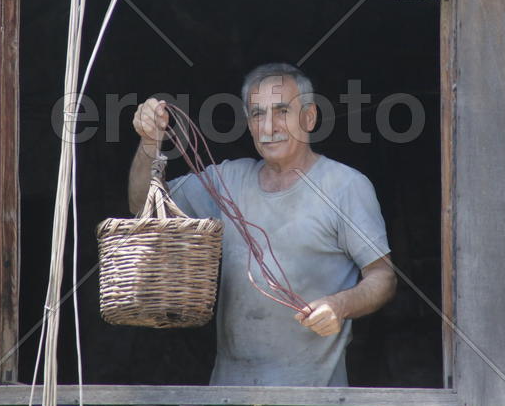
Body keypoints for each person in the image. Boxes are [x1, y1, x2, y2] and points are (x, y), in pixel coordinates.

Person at [128, 62, 396, 387]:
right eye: (257, 114)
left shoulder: (344, 186)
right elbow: (143, 206)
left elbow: (383, 277)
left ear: (309, 117)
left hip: (312, 396)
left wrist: (339, 305)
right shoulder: (228, 181)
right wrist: (149, 142)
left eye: (282, 111)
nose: (269, 126)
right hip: (230, 394)